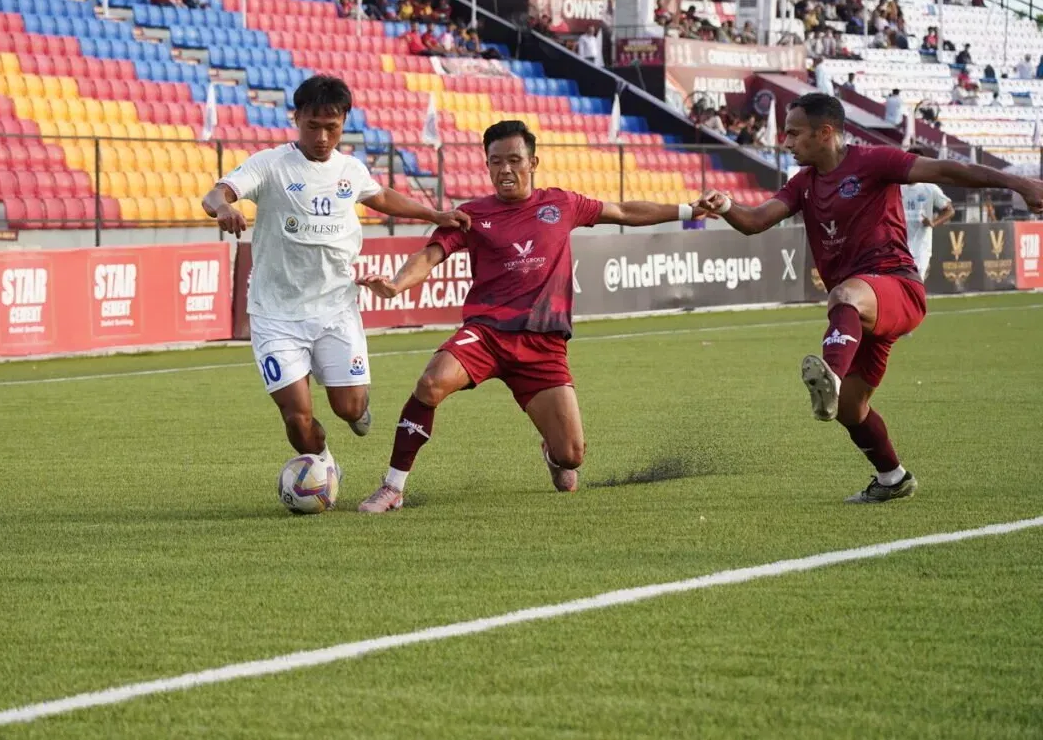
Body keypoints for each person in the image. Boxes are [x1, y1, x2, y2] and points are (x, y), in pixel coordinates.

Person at [696, 93, 1043, 503]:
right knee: (850, 408)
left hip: (897, 287)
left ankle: (831, 375)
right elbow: (755, 221)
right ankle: (892, 478)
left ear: (825, 133)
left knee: (845, 295)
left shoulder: (876, 161)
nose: (785, 142)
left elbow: (950, 168)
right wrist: (728, 205)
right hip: (861, 310)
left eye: (793, 133)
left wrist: (1018, 182)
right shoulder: (803, 183)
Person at [355, 120, 708, 512]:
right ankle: (393, 487)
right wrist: (396, 285)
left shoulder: (562, 204)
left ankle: (553, 454)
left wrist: (686, 208)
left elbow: (623, 210)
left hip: (543, 344)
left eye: (514, 160)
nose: (505, 170)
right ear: (486, 166)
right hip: (486, 334)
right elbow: (429, 255)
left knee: (572, 455)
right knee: (431, 383)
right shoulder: (471, 215)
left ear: (533, 162)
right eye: (495, 162)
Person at [200, 75, 471, 462]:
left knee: (349, 408)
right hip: (276, 315)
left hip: (336, 309)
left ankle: (357, 408)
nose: (323, 137)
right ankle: (323, 466)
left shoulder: (350, 169)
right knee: (296, 417)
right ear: (297, 119)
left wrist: (434, 213)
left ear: (344, 121)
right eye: (313, 126)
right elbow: (217, 192)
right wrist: (224, 206)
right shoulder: (271, 164)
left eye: (332, 127)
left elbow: (380, 196)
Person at [900, 149, 955, 281]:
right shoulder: (896, 186)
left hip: (920, 250)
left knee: (915, 285)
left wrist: (933, 223)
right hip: (898, 248)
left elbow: (950, 210)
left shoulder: (929, 188)